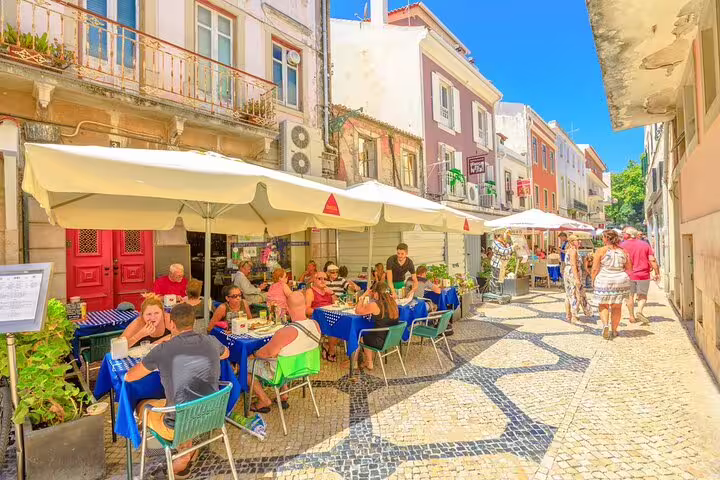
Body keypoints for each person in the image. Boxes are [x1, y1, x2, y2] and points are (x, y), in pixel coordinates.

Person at [125, 303, 229, 478]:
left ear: (171, 324)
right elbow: (225, 353)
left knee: (141, 404)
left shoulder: (162, 350)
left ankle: (181, 454)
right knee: (184, 400)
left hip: (177, 424)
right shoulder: (211, 341)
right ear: (193, 322)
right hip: (211, 416)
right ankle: (186, 451)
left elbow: (130, 377)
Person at [247, 291, 321, 413]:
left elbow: (267, 353)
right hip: (305, 367)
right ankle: (283, 394)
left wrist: (253, 354)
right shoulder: (316, 324)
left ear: (287, 308)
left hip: (284, 372)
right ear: (305, 305)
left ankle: (263, 399)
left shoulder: (285, 332)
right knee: (285, 354)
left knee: (245, 366)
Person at [592, 230, 633, 340]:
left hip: (604, 280)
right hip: (620, 280)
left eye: (603, 237)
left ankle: (605, 325)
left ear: (606, 238)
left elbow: (595, 268)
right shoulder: (624, 251)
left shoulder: (601, 251)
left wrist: (593, 280)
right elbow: (629, 268)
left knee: (603, 304)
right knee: (616, 306)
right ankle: (614, 330)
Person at [353, 281, 400, 370]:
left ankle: (363, 362)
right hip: (392, 339)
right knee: (368, 333)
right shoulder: (393, 303)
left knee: (361, 335)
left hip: (380, 341)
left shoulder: (375, 305)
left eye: (374, 292)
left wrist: (363, 296)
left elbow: (358, 311)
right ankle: (368, 362)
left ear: (377, 293)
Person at [621, 227, 659, 325]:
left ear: (628, 235)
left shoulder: (621, 246)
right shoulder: (645, 245)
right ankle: (640, 311)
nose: (622, 234)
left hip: (627, 274)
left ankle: (631, 316)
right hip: (643, 274)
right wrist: (657, 272)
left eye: (624, 233)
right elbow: (652, 259)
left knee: (629, 296)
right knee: (642, 295)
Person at [304, 272, 338, 361]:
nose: (323, 281)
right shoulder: (310, 291)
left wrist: (332, 293)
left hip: (330, 317)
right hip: (316, 318)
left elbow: (337, 304)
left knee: (341, 323)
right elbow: (307, 310)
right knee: (334, 325)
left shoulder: (328, 291)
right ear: (314, 280)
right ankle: (331, 350)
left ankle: (328, 346)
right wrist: (320, 313)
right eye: (320, 278)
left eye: (325, 279)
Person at [563, 235, 592, 323]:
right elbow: (573, 265)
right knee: (576, 295)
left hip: (568, 272)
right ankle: (574, 316)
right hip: (572, 273)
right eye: (577, 240)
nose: (579, 241)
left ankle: (568, 315)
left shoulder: (569, 250)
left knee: (569, 294)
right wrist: (577, 278)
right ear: (572, 242)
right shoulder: (573, 251)